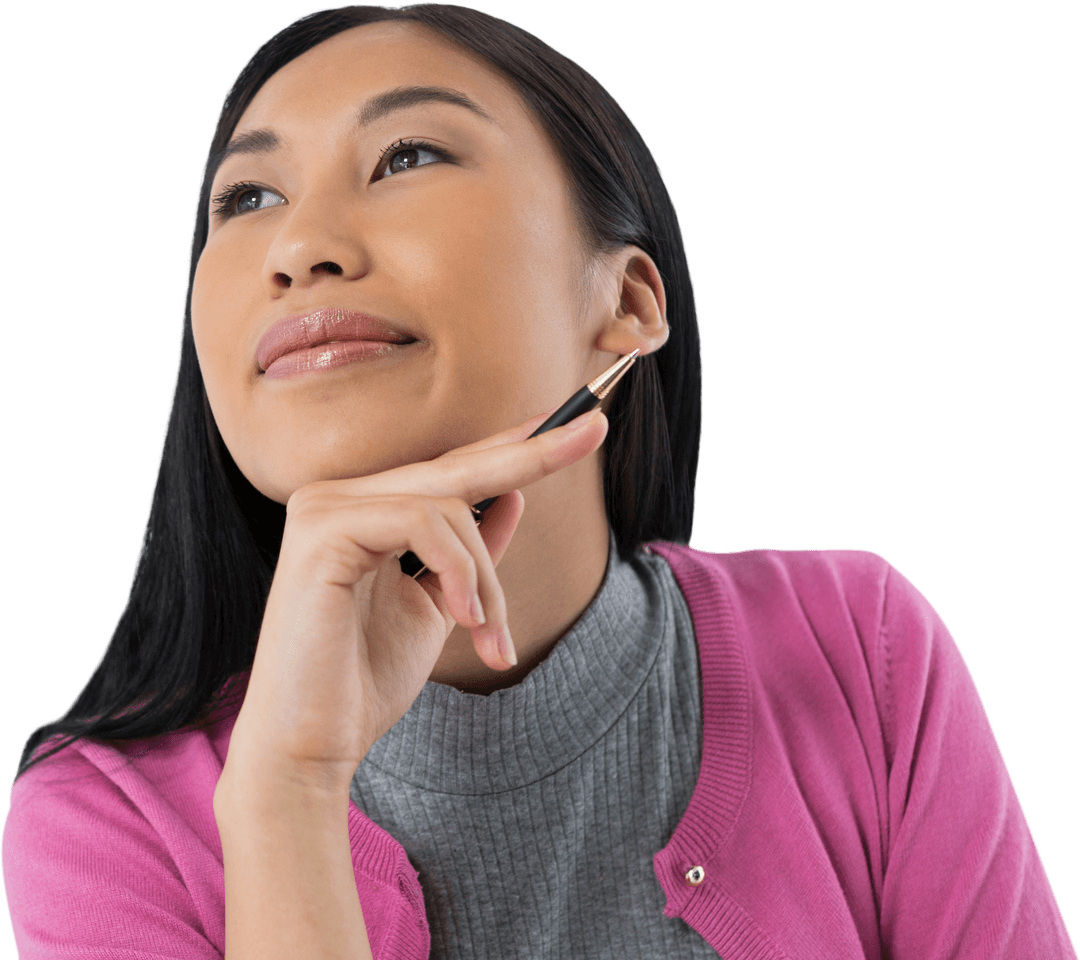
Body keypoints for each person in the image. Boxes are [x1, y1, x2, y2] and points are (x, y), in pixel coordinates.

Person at [2, 4, 1074, 958]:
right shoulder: (101, 824)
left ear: (629, 303)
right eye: (246, 196)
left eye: (408, 155)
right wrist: (286, 796)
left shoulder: (859, 649)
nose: (299, 247)